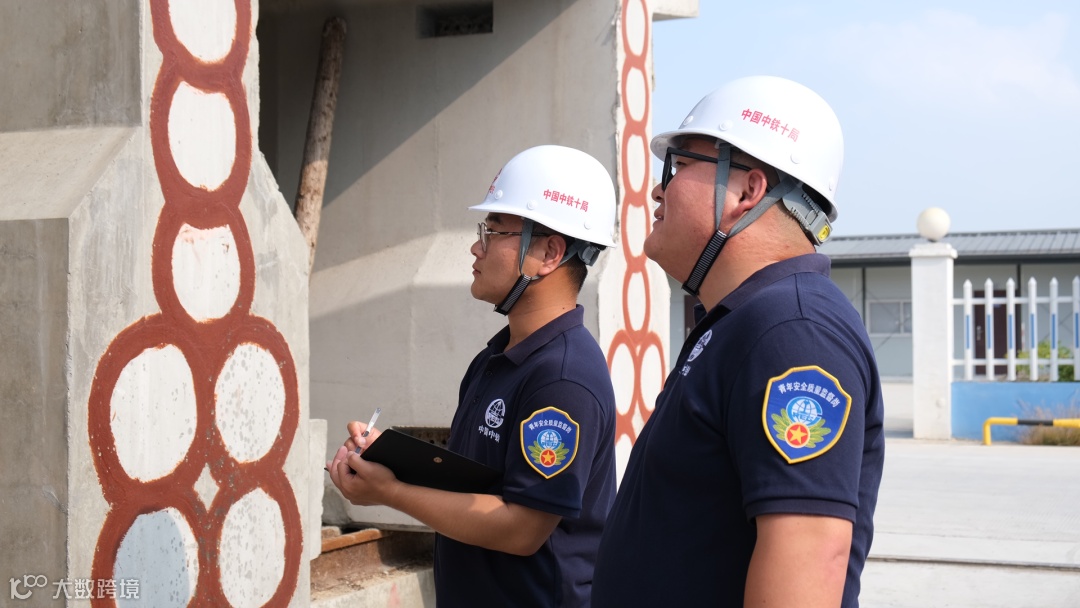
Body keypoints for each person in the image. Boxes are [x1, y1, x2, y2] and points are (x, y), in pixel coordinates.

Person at [591, 76, 885, 607]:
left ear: (747, 192)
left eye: (679, 166)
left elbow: (807, 570)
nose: (658, 190)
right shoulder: (743, 322)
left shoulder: (793, 331)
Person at [327, 144, 619, 607]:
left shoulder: (563, 379)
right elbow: (476, 491)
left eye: (494, 231)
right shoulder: (496, 359)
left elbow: (522, 528)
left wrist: (392, 492)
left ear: (549, 252)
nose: (476, 247)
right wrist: (389, 462)